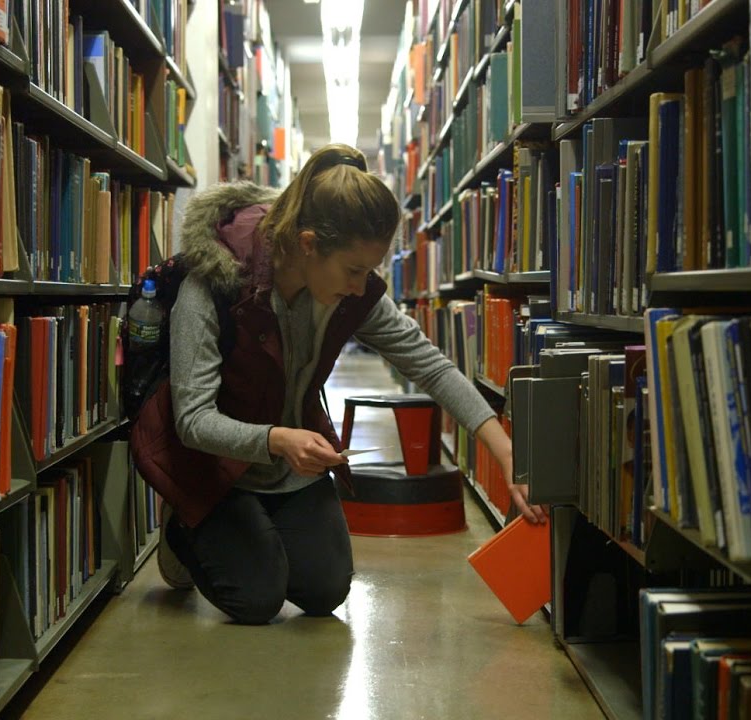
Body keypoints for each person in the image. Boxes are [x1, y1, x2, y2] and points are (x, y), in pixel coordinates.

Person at [129, 144, 548, 626]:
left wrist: (505, 450)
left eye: (369, 271)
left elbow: (428, 363)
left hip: (288, 462)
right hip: (211, 464)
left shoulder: (349, 292)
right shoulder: (212, 285)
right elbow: (193, 420)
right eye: (353, 270)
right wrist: (277, 439)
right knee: (257, 599)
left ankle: (256, 531)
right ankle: (184, 528)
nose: (360, 286)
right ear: (308, 243)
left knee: (325, 589)